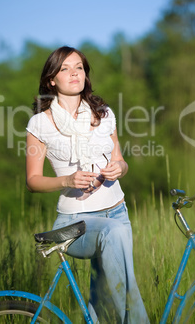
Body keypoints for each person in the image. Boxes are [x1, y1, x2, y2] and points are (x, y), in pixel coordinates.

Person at [26, 46, 149, 323]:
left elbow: (121, 161)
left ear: (85, 74)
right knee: (114, 236)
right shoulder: (39, 124)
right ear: (51, 80)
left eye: (79, 67)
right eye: (65, 69)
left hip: (118, 211)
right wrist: (67, 180)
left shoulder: (103, 114)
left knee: (104, 298)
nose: (74, 73)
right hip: (76, 221)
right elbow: (32, 181)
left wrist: (119, 168)